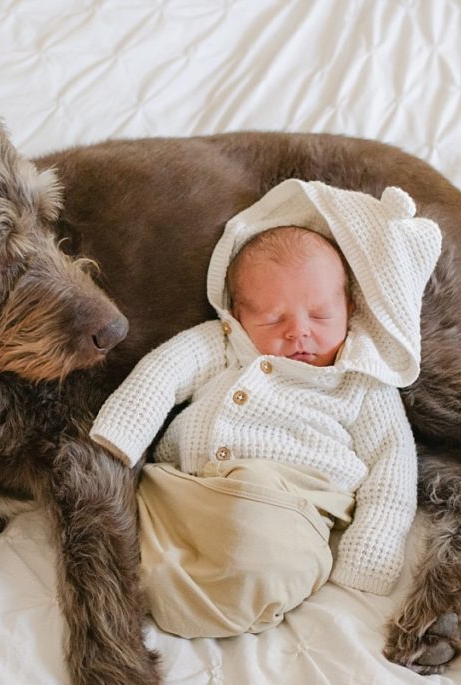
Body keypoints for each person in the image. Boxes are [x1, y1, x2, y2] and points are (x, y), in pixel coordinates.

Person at [90, 179, 442, 638]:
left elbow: (392, 466)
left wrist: (369, 553)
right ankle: (161, 587)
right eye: (274, 319)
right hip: (186, 493)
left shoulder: (358, 379)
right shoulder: (223, 345)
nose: (299, 333)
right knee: (125, 523)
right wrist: (119, 438)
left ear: (350, 308)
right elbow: (161, 375)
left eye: (319, 316)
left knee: (269, 548)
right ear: (237, 316)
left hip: (292, 507)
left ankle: (229, 590)